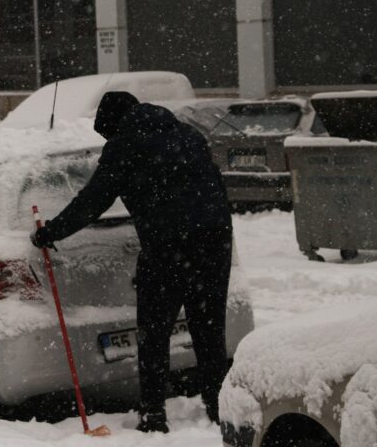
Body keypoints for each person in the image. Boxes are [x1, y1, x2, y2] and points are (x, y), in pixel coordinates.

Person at [30, 91, 232, 433]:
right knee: (209, 331)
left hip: (168, 248)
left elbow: (93, 200)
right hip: (215, 241)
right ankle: (219, 408)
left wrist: (51, 233)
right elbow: (215, 187)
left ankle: (153, 416)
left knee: (154, 334)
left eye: (107, 133)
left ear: (113, 124)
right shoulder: (188, 134)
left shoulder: (125, 146)